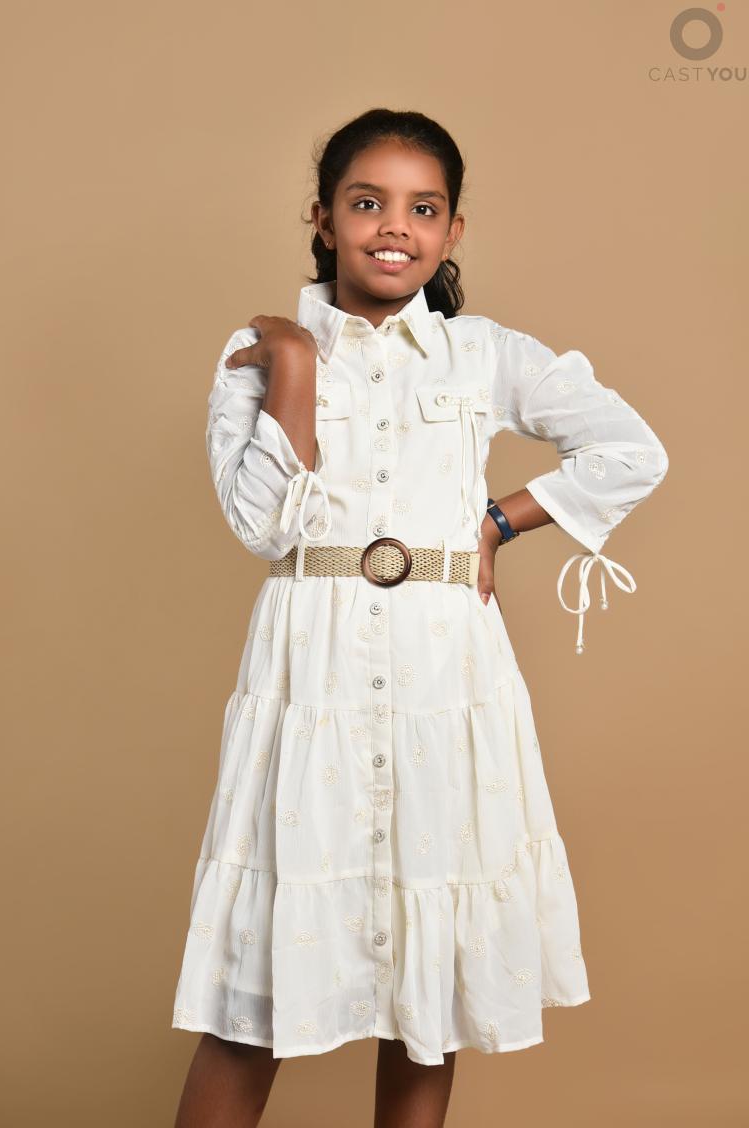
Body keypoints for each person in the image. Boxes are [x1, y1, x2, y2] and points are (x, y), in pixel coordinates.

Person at [171, 108, 669, 1127]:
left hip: (447, 674)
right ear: (322, 219)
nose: (394, 226)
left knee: (426, 992)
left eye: (423, 208)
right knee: (253, 990)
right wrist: (296, 369)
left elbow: (631, 450)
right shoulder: (259, 352)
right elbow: (263, 525)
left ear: (451, 230)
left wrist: (499, 518)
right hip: (308, 675)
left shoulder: (481, 354)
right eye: (367, 202)